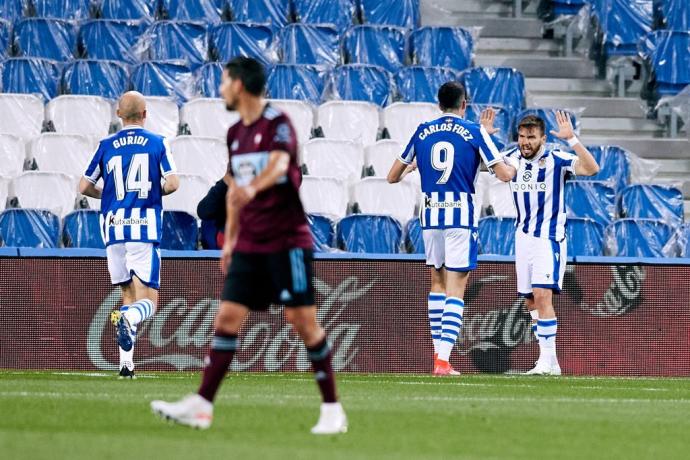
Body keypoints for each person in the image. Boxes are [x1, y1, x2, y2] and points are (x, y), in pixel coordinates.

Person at [150, 57, 347, 434]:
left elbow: (278, 164)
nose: (221, 89)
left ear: (239, 85)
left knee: (302, 322)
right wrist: (232, 242)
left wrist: (255, 186)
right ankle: (203, 404)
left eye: (224, 81)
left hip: (287, 241)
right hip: (250, 244)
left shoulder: (278, 123)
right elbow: (233, 194)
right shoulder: (235, 135)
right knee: (226, 318)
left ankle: (332, 409)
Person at [387, 81, 517, 375]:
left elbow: (392, 176)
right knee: (457, 288)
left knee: (436, 284)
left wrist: (414, 167)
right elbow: (504, 174)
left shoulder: (422, 131)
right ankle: (443, 361)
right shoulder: (474, 131)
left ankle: (439, 356)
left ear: (438, 105)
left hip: (431, 215)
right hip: (460, 216)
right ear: (464, 105)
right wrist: (509, 160)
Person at [79, 91, 179, 378]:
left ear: (119, 114)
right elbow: (172, 184)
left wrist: (110, 196)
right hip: (143, 227)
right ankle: (130, 319)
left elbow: (84, 187)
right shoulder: (157, 143)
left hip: (112, 228)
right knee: (148, 300)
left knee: (127, 293)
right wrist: (147, 193)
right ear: (145, 114)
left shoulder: (106, 145)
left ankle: (126, 364)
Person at [502, 112, 599, 375]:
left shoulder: (557, 159)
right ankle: (551, 361)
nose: (525, 142)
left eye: (531, 137)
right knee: (530, 301)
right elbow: (486, 168)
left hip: (548, 237)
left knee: (543, 295)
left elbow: (591, 169)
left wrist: (572, 139)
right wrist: (486, 136)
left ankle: (545, 361)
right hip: (522, 238)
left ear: (543, 138)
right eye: (522, 136)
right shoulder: (511, 158)